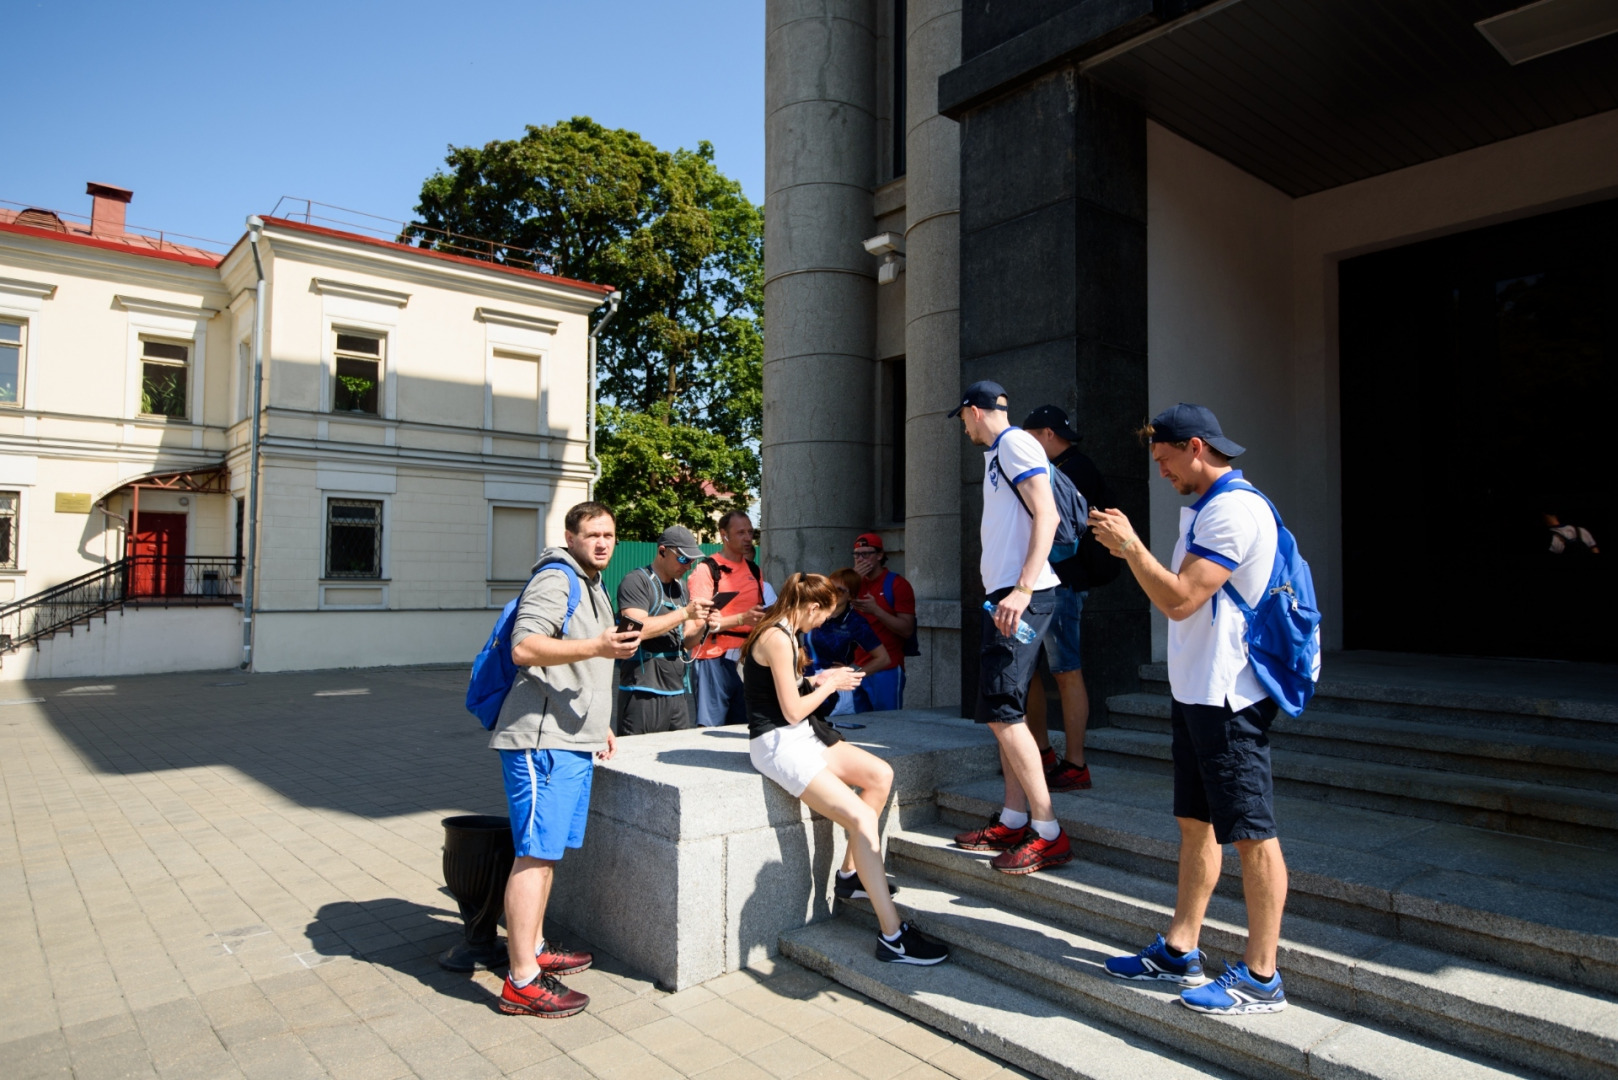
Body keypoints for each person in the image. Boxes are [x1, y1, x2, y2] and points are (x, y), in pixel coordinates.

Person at [1088, 403, 1290, 1016]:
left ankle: (1263, 978)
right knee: (1196, 825)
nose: (1162, 472)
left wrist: (1130, 549)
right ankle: (1181, 948)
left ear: (1196, 446)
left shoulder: (1233, 509)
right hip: (1199, 693)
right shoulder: (1207, 507)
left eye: (1166, 459)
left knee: (1252, 834)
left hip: (1229, 698)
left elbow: (1179, 601)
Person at [743, 572, 949, 964]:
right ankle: (893, 936)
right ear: (812, 606)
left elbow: (789, 692)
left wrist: (821, 677)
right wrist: (830, 684)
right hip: (778, 744)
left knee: (880, 775)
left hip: (802, 734)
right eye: (824, 616)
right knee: (859, 818)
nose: (823, 624)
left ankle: (850, 876)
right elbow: (791, 710)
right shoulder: (776, 636)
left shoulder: (784, 630)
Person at [489, 501, 640, 1018]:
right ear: (571, 537)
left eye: (610, 534)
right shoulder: (557, 578)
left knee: (547, 853)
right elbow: (525, 647)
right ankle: (522, 981)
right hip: (540, 739)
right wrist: (597, 645)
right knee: (533, 854)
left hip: (573, 738)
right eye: (593, 534)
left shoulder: (591, 582)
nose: (603, 542)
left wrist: (602, 723)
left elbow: (581, 669)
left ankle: (532, 949)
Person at [947, 381, 1074, 874]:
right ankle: (1014, 816)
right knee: (1004, 707)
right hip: (1006, 597)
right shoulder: (1003, 450)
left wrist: (1021, 589)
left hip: (1022, 597)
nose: (963, 427)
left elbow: (1048, 512)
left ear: (974, 411)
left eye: (961, 419)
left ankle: (1048, 832)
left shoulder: (1016, 443)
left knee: (1002, 708)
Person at [1021, 405, 1114, 793]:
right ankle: (1043, 753)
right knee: (1029, 673)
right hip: (1048, 583)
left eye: (1027, 439)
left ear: (1045, 434)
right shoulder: (1077, 467)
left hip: (1060, 584)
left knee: (1063, 671)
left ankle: (1074, 763)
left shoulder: (1071, 469)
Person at [614, 525, 718, 735]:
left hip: (677, 693)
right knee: (637, 759)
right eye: (683, 559)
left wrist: (705, 626)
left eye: (691, 560)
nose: (688, 566)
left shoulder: (680, 588)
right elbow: (634, 631)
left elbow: (687, 641)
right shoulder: (636, 581)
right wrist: (684, 614)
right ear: (662, 551)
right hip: (642, 691)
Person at [688, 512, 770, 727]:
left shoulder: (754, 570)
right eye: (740, 532)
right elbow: (698, 626)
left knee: (743, 727)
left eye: (750, 532)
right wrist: (742, 618)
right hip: (713, 658)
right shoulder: (707, 570)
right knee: (710, 729)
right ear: (724, 535)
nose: (747, 538)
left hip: (748, 659)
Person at [806, 568, 892, 714]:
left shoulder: (855, 622)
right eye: (830, 587)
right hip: (808, 680)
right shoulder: (813, 610)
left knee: (828, 732)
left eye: (839, 590)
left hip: (834, 688)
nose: (832, 593)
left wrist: (853, 676)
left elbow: (883, 659)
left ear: (851, 596)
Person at [850, 533, 915, 711]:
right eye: (856, 554)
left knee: (888, 724)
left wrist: (876, 610)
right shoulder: (853, 583)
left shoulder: (898, 584)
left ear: (880, 555)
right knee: (859, 724)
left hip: (888, 668)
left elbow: (907, 629)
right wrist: (850, 580)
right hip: (858, 666)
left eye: (866, 554)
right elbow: (828, 608)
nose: (860, 559)